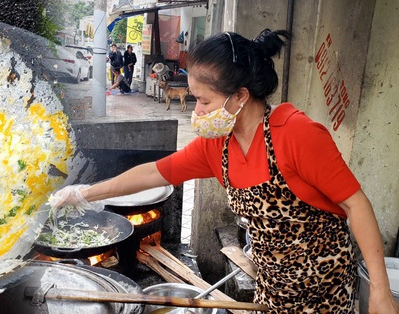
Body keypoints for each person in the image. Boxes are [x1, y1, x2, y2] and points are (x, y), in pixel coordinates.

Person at [51, 29, 399, 313]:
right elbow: (154, 173)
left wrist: (381, 292)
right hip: (271, 291)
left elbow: (357, 205)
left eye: (204, 102)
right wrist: (84, 193)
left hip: (325, 293)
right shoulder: (217, 146)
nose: (197, 113)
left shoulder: (297, 135)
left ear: (241, 96)